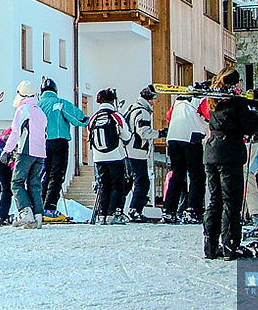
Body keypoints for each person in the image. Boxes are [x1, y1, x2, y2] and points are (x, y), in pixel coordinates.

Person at [202, 69, 258, 259]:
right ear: (235, 83)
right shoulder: (237, 102)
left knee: (215, 200)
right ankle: (231, 245)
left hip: (212, 152)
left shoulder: (213, 100)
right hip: (230, 153)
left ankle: (210, 246)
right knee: (231, 201)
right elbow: (250, 126)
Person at [38, 77, 89, 220]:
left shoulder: (37, 105)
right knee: (57, 175)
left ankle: (39, 207)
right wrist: (90, 120)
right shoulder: (60, 103)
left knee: (43, 174)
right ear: (55, 90)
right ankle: (50, 208)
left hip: (40, 143)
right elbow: (78, 119)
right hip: (59, 141)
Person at [4, 80, 47, 228]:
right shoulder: (40, 111)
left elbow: (16, 132)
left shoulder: (23, 110)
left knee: (17, 183)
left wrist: (7, 150)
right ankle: (38, 217)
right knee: (34, 184)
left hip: (26, 150)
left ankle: (25, 213)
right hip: (40, 152)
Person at [88, 88, 132, 224]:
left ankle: (101, 214)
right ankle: (112, 214)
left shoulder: (93, 118)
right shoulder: (116, 116)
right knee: (117, 185)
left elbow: (89, 134)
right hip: (115, 155)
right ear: (113, 101)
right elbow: (126, 135)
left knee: (103, 185)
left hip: (98, 157)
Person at [163, 94, 207, 224]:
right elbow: (209, 114)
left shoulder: (179, 100)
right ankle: (193, 209)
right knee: (197, 175)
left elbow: (168, 116)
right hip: (191, 137)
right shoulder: (201, 99)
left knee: (177, 175)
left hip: (173, 137)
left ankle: (169, 210)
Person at [123, 85, 159, 221]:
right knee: (142, 182)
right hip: (137, 151)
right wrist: (160, 133)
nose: (155, 102)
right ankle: (135, 210)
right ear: (149, 98)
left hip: (127, 150)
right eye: (154, 98)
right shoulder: (143, 112)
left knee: (128, 181)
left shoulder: (131, 108)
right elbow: (143, 132)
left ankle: (117, 209)